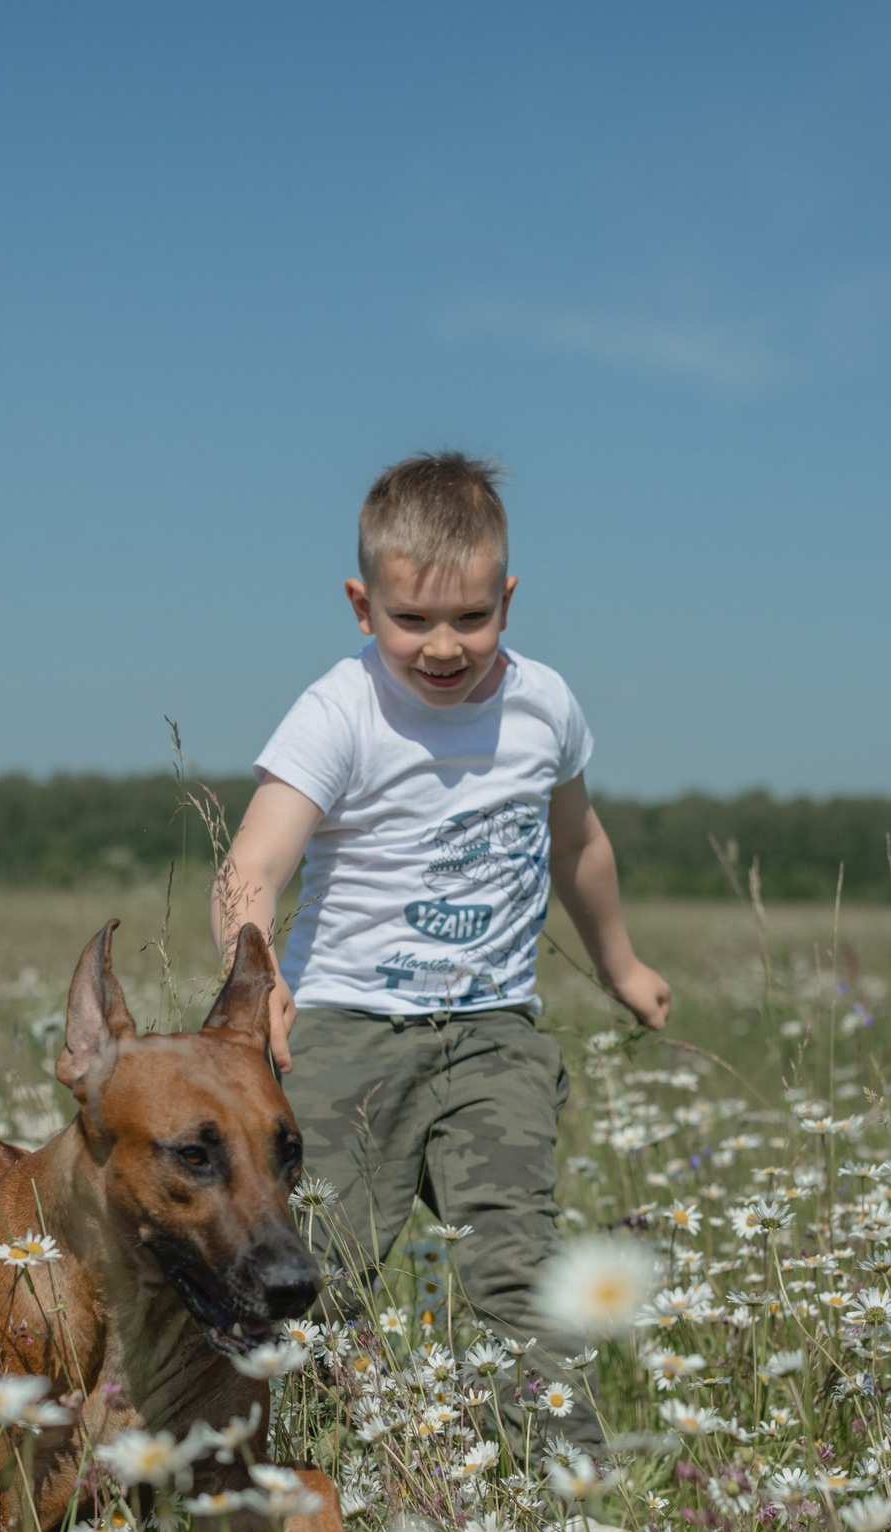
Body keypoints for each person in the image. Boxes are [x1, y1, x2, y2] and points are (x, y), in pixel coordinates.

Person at [214, 450, 672, 1457]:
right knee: (317, 1265)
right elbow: (251, 863)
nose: (441, 645)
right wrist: (261, 980)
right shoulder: (338, 712)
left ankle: (571, 1496)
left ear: (508, 597)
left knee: (518, 1265)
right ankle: (299, 1475)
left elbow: (578, 842)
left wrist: (621, 966)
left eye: (471, 616)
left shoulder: (543, 706)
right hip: (343, 1031)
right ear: (359, 602)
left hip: (494, 1033)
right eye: (410, 619)